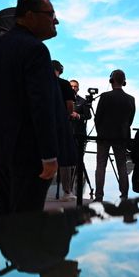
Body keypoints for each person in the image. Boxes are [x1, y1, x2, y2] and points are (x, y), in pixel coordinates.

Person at [0, 0, 76, 216]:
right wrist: (49, 155)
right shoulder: (35, 50)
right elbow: (41, 104)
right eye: (51, 14)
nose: (55, 20)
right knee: (27, 226)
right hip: (28, 156)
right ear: (29, 16)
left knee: (7, 220)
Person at [94, 69, 135, 202]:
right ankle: (124, 196)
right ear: (124, 82)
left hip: (104, 136)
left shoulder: (105, 97)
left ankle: (99, 196)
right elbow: (130, 120)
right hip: (121, 137)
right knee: (122, 167)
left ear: (111, 80)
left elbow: (97, 118)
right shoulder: (131, 99)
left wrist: (100, 131)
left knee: (101, 166)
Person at [53, 60, 77, 201]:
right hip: (61, 124)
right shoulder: (63, 84)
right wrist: (68, 115)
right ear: (60, 70)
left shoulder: (39, 82)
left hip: (41, 123)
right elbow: (69, 105)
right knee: (65, 158)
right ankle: (67, 192)